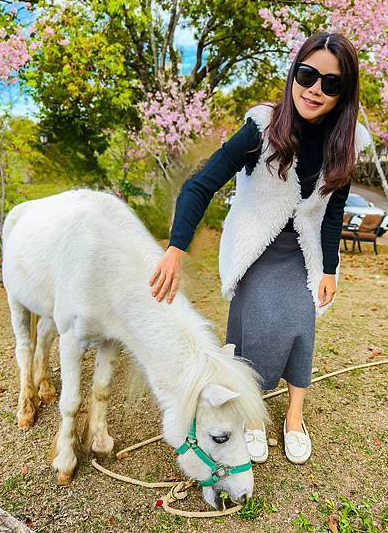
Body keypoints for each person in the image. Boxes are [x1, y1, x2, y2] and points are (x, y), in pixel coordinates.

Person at [149, 31, 365, 465]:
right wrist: (176, 247)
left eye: (331, 83)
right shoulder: (263, 127)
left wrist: (329, 269)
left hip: (303, 254)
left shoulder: (346, 144)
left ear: (343, 93)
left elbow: (332, 209)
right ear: (294, 74)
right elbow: (200, 184)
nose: (315, 89)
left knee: (302, 326)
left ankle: (294, 417)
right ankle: (250, 418)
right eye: (307, 74)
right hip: (254, 248)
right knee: (260, 329)